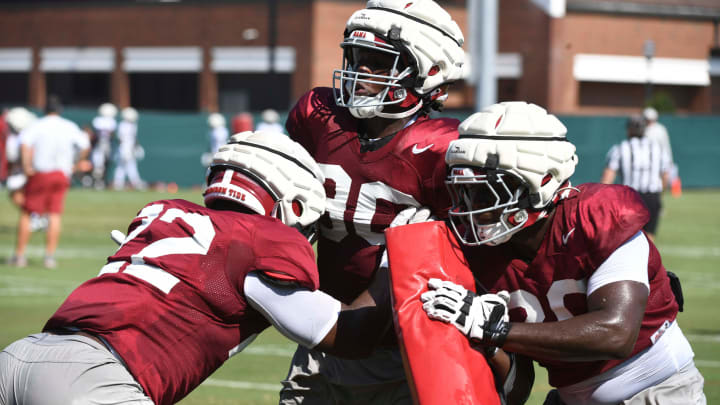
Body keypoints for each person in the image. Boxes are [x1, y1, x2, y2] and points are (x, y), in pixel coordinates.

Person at [0, 131, 396, 405]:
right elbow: (348, 337)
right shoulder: (253, 243)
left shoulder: (166, 214)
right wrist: (391, 260)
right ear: (293, 204)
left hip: (19, 357)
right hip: (92, 382)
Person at [419, 101, 706, 404]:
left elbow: (616, 333)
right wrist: (488, 342)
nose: (471, 208)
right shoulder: (477, 253)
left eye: (483, 192)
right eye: (464, 192)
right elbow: (518, 388)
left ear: (537, 182)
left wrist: (494, 327)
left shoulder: (595, 216)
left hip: (656, 392)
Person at [280, 0, 466, 403]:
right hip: (323, 330)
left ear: (428, 73)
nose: (360, 71)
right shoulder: (319, 117)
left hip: (404, 348)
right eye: (356, 57)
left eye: (378, 63)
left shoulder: (444, 150)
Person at [9, 96, 90, 269]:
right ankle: (49, 257)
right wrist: (76, 164)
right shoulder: (69, 126)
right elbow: (85, 144)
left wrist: (26, 166)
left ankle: (20, 255)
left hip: (42, 172)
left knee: (27, 212)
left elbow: (24, 145)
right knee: (54, 214)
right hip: (62, 173)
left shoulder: (37, 125)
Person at [601, 114, 671, 241]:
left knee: (628, 237)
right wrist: (660, 195)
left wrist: (603, 200)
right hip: (652, 196)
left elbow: (607, 178)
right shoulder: (657, 148)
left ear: (629, 129)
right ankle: (646, 260)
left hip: (629, 197)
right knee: (649, 237)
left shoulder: (621, 148)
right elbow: (665, 175)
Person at [4, 107, 37, 209]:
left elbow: (13, 159)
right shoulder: (29, 134)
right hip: (32, 170)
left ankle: (34, 215)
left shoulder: (15, 139)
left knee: (16, 194)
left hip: (25, 171)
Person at [112, 107, 145, 190]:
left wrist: (135, 147)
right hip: (124, 149)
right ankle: (132, 183)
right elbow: (121, 139)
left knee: (127, 166)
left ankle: (120, 183)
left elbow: (133, 139)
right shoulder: (123, 125)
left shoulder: (132, 125)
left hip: (129, 148)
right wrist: (125, 150)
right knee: (126, 166)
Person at [90, 102, 118, 189]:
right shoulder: (104, 121)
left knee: (100, 164)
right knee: (99, 164)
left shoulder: (98, 120)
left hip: (102, 144)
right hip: (102, 144)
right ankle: (98, 182)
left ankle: (99, 182)